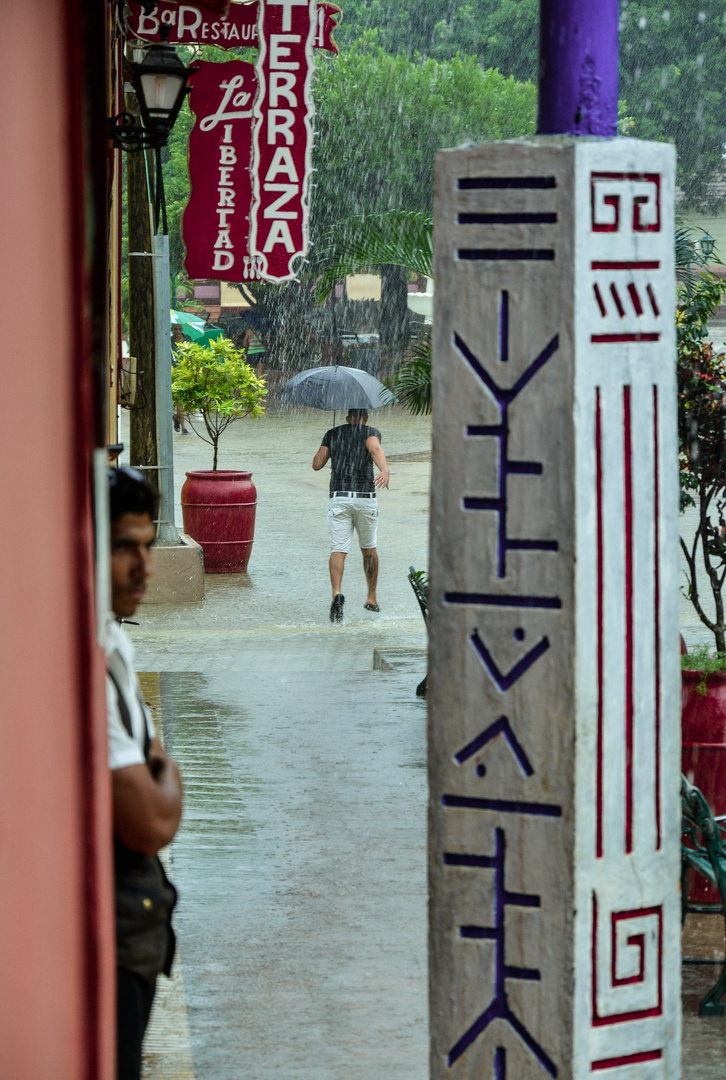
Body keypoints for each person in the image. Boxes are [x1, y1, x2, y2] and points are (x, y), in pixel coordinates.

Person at [107, 466, 183, 1080]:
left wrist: (157, 759)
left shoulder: (113, 644)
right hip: (117, 945)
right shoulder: (88, 665)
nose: (145, 567)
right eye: (125, 548)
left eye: (149, 545)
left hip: (137, 936)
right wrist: (164, 766)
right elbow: (153, 822)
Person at [312, 408, 390, 622]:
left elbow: (317, 465)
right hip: (365, 498)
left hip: (340, 497)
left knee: (338, 549)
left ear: (347, 418)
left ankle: (337, 592)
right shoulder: (371, 431)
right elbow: (374, 449)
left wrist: (331, 439)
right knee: (368, 548)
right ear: (365, 418)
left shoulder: (332, 433)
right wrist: (384, 469)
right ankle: (371, 597)